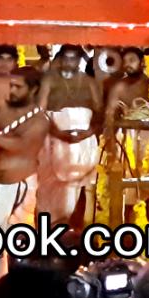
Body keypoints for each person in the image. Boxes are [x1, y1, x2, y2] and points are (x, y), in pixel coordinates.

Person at [0, 68, 48, 281]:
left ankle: (7, 285)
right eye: (11, 85)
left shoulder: (39, 121)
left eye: (18, 87)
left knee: (9, 239)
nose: (12, 91)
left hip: (17, 185)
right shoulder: (4, 109)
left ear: (33, 89)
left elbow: (21, 146)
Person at [37, 45, 102, 224]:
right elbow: (40, 112)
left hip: (83, 141)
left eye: (73, 58)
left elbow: (99, 112)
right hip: (54, 139)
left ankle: (73, 228)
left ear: (79, 60)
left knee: (79, 187)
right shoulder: (49, 80)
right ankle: (48, 229)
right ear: (59, 59)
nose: (69, 62)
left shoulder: (89, 82)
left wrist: (88, 133)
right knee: (49, 188)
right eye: (65, 57)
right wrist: (58, 133)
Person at [105, 48, 149, 176]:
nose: (128, 64)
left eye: (132, 60)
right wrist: (111, 145)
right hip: (127, 136)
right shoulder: (119, 87)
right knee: (127, 175)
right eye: (125, 61)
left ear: (142, 62)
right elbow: (109, 115)